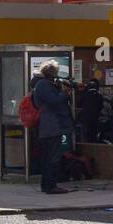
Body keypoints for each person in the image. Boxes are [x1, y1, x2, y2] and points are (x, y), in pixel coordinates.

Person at [32, 60, 75, 194]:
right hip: (51, 126)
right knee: (52, 157)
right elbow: (54, 101)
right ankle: (51, 186)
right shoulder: (43, 84)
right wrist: (64, 93)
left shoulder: (45, 84)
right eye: (56, 71)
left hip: (50, 126)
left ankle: (47, 185)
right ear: (52, 72)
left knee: (48, 157)